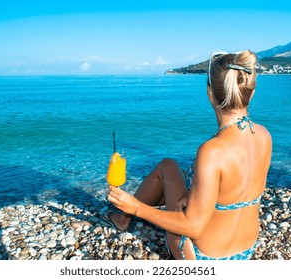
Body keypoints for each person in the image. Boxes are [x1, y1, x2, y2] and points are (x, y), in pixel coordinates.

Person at [106, 50, 272, 260]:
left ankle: (124, 216)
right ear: (252, 91)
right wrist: (193, 195)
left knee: (166, 179)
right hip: (246, 250)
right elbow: (236, 185)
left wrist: (136, 207)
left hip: (205, 257)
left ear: (209, 93)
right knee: (169, 166)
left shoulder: (212, 150)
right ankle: (126, 216)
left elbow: (193, 227)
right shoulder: (264, 135)